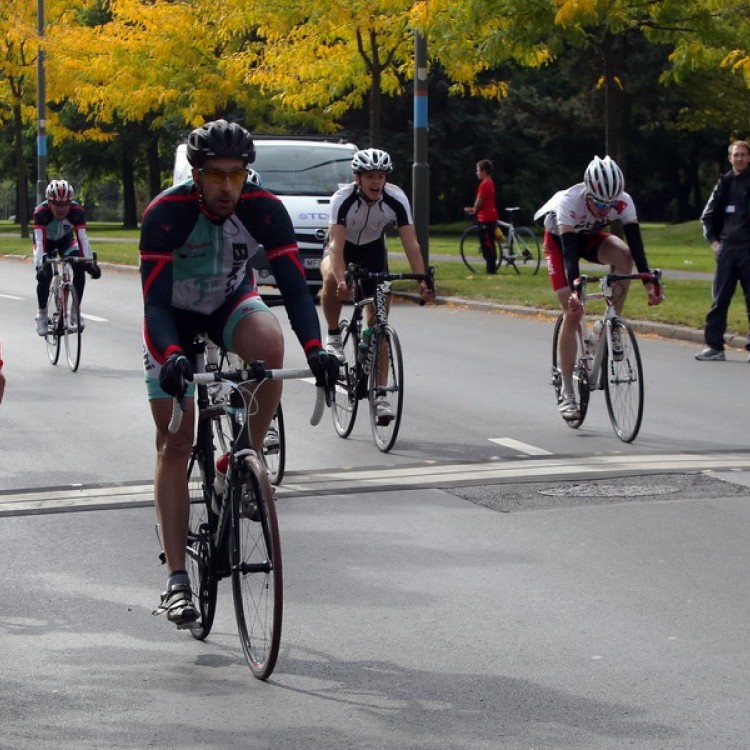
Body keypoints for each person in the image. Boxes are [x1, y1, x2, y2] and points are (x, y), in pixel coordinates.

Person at [139, 119, 339, 628]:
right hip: (173, 318)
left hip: (229, 302)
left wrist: (315, 348)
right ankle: (178, 582)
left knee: (269, 344)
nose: (229, 186)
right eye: (217, 175)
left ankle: (239, 458)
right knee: (175, 440)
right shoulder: (166, 214)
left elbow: (294, 287)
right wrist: (170, 358)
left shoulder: (264, 208)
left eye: (238, 173)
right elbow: (155, 305)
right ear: (197, 173)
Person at [535, 155, 663, 422]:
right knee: (572, 312)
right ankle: (568, 391)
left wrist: (649, 281)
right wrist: (574, 290)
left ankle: (611, 322)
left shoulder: (624, 201)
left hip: (591, 238)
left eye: (611, 204)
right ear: (588, 192)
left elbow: (637, 245)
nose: (606, 210)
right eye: (600, 203)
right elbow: (570, 254)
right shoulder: (569, 202)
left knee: (624, 256)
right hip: (561, 243)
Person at [320, 147, 433, 423]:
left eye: (380, 176)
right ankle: (334, 334)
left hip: (372, 252)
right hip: (342, 250)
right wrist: (343, 278)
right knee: (331, 277)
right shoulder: (342, 199)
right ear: (358, 178)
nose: (375, 182)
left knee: (381, 322)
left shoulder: (396, 198)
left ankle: (380, 395)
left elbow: (411, 242)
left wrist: (421, 279)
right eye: (370, 176)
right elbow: (335, 244)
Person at [695, 139, 750, 361]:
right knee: (719, 300)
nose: (739, 159)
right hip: (727, 250)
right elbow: (707, 216)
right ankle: (714, 346)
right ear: (730, 158)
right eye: (735, 155)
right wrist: (714, 243)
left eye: (743, 155)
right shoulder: (724, 183)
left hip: (748, 249)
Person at [32, 179, 100, 336]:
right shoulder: (40, 212)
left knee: (80, 267)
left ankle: (75, 311)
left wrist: (89, 262)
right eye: (57, 204)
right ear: (49, 202)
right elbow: (40, 241)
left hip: (66, 241)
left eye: (65, 204)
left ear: (71, 202)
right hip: (46, 243)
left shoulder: (77, 211)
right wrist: (40, 265)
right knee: (45, 275)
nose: (61, 209)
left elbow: (82, 238)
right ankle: (42, 314)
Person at [464, 158, 501, 274]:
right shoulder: (491, 183)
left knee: (486, 244)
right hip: (491, 217)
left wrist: (474, 210)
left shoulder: (484, 184)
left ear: (484, 172)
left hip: (485, 218)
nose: (477, 173)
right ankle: (492, 267)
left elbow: (479, 201)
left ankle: (491, 270)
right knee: (491, 243)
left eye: (478, 170)